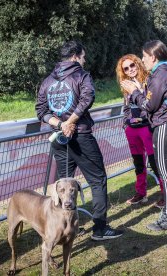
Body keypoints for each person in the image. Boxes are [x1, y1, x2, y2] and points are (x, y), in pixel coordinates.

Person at [36, 41, 123, 241]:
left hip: (59, 139)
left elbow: (41, 111)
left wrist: (59, 125)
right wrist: (69, 122)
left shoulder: (48, 80)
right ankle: (100, 228)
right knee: (97, 179)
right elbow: (87, 98)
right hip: (80, 135)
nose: (84, 60)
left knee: (63, 185)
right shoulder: (82, 75)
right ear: (75, 56)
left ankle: (62, 226)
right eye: (83, 57)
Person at [121, 40, 167, 231]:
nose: (142, 61)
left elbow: (149, 106)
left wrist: (134, 93)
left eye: (143, 57)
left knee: (166, 175)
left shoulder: (160, 75)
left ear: (153, 56)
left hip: (166, 126)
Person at [115, 54, 165, 207]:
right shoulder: (126, 86)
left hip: (147, 128)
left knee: (155, 162)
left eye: (132, 65)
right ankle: (141, 193)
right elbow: (126, 107)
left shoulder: (149, 80)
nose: (130, 69)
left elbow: (151, 105)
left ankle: (166, 193)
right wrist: (126, 123)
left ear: (138, 64)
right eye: (126, 68)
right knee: (138, 163)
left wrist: (143, 118)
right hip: (132, 130)